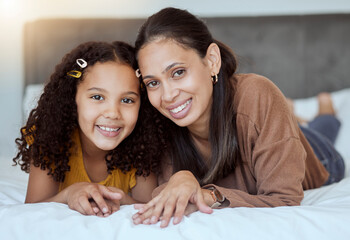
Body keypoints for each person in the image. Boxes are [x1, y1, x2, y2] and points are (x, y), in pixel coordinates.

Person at [131, 7, 345, 227]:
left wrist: (209, 195)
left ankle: (325, 108)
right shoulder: (159, 121)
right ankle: (292, 113)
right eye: (153, 83)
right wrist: (181, 178)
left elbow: (284, 200)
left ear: (212, 60)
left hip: (319, 153)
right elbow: (164, 193)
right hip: (267, 128)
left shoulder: (257, 93)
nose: (167, 96)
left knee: (321, 128)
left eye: (178, 72)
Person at [13, 41, 164, 217]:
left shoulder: (142, 147)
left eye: (127, 100)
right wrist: (69, 194)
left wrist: (122, 199)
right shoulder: (51, 139)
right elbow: (32, 208)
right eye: (97, 97)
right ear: (72, 99)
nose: (113, 113)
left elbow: (147, 206)